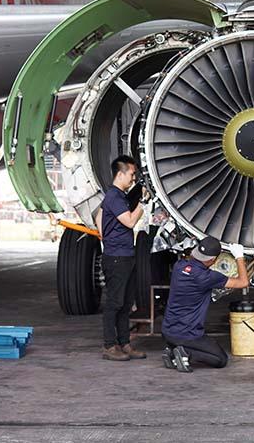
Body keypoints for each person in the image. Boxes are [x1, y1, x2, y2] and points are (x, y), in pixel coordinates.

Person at [161, 235, 248, 373]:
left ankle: (172, 350)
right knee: (220, 359)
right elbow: (243, 282)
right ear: (213, 260)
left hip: (167, 331)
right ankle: (185, 353)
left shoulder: (179, 267)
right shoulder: (208, 277)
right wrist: (239, 257)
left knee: (204, 343)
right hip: (187, 335)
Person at [99, 155, 147, 362]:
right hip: (117, 258)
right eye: (131, 174)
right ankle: (110, 345)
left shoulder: (117, 197)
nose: (133, 178)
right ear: (120, 174)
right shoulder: (114, 196)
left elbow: (98, 216)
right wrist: (142, 204)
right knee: (114, 303)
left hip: (125, 255)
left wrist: (105, 235)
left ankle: (124, 343)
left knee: (126, 303)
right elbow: (128, 222)